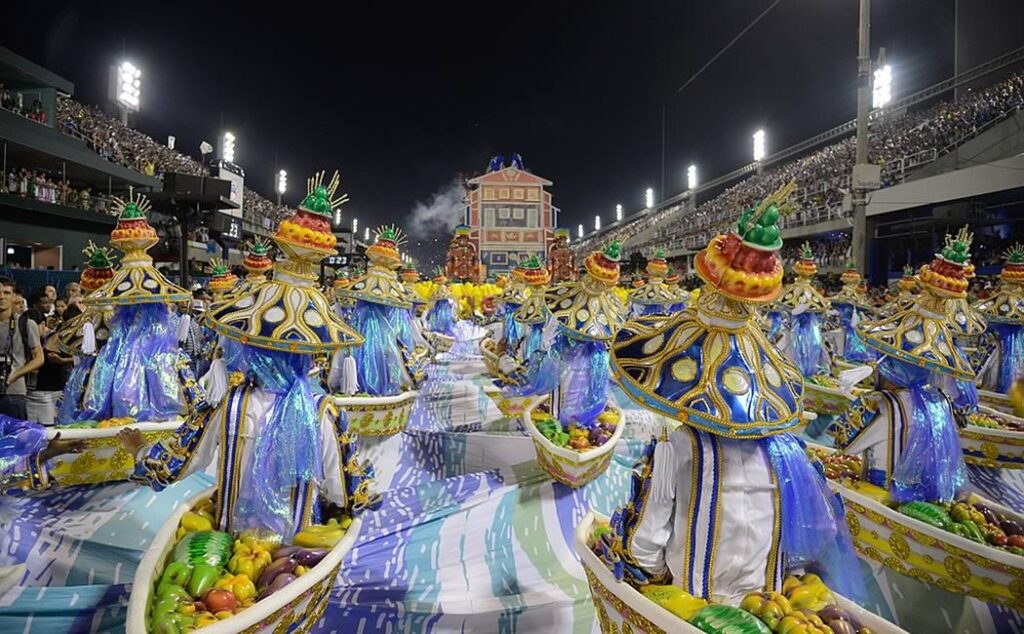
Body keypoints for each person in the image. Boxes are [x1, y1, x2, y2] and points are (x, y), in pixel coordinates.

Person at [0, 278, 43, 419]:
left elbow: (39, 358)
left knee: (17, 439)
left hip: (14, 392)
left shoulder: (26, 324)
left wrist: (15, 375)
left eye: (6, 293)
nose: (1, 296)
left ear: (13, 296)